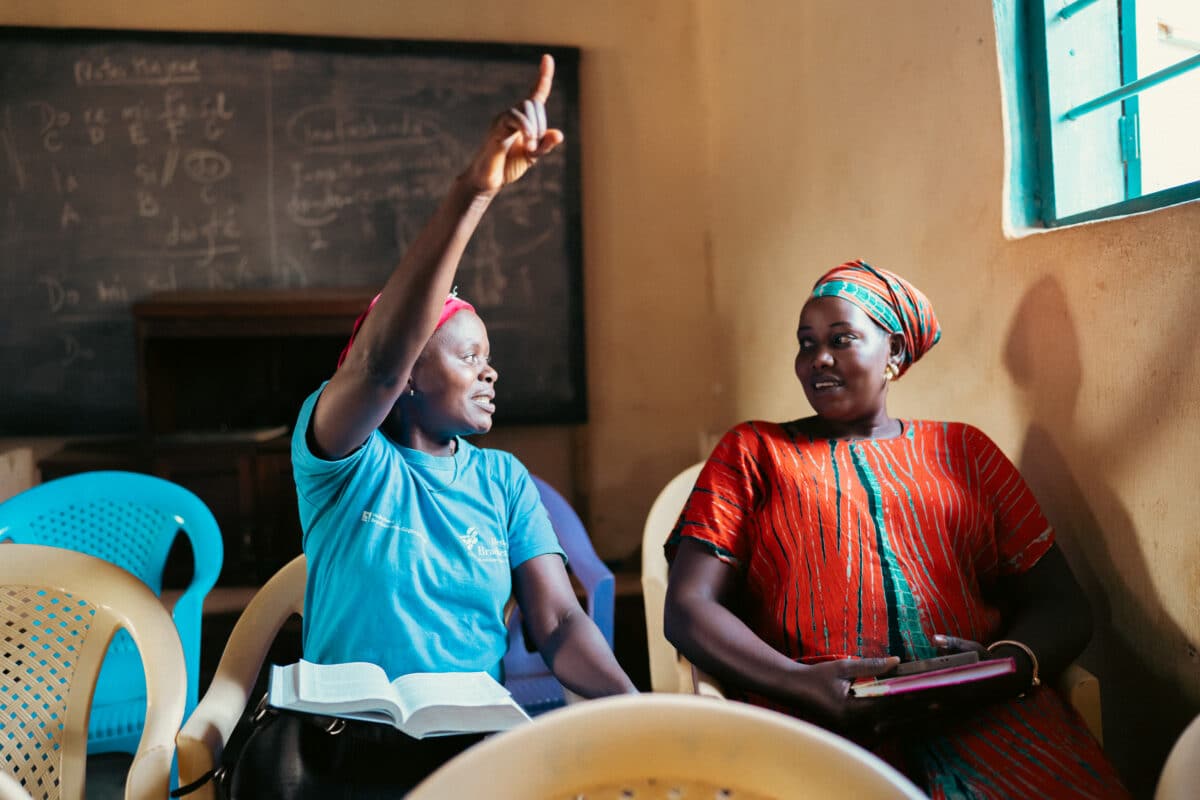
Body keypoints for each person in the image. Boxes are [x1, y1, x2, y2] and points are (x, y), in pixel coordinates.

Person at [228, 55, 635, 799]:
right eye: (469, 357)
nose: (490, 373)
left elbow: (558, 622)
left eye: (490, 358)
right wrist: (473, 193)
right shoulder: (345, 461)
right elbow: (378, 363)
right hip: (339, 747)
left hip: (464, 748)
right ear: (410, 376)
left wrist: (636, 712)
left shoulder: (503, 481)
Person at [663, 260, 1129, 798]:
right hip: (811, 720)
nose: (819, 358)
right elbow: (689, 606)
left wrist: (1002, 667)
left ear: (895, 353)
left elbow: (1062, 604)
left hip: (986, 717)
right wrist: (799, 682)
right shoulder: (754, 451)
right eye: (806, 343)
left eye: (841, 339)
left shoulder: (966, 451)